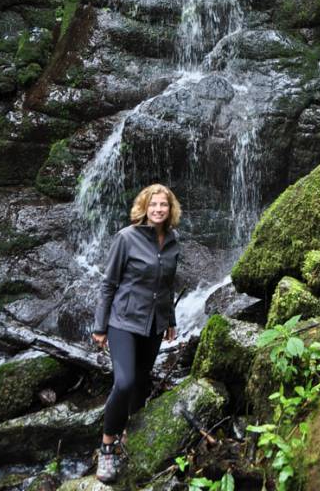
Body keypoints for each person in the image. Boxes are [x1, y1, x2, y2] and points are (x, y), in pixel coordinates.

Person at [92, 183, 181, 484]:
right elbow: (108, 283)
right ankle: (107, 447)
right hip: (124, 322)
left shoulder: (173, 241)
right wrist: (100, 326)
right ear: (144, 207)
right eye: (153, 204)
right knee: (125, 382)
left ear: (170, 209)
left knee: (141, 383)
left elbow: (168, 284)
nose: (158, 209)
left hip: (154, 324)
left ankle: (130, 436)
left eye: (163, 204)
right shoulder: (126, 238)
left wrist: (170, 319)